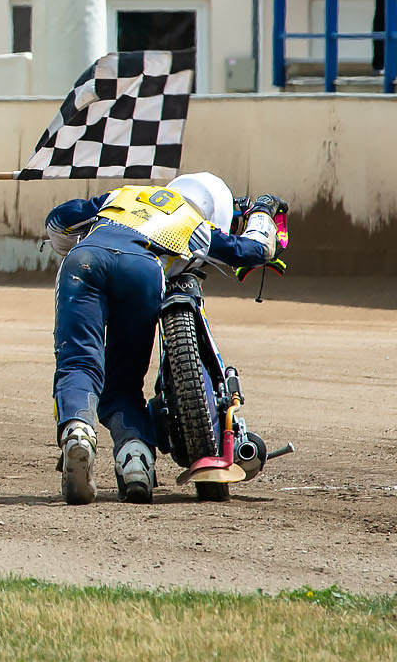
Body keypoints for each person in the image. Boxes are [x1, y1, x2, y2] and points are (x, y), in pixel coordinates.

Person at [42, 173, 279, 503]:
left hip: (85, 259)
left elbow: (58, 220)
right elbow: (256, 249)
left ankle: (78, 432)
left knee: (78, 362)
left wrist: (74, 241)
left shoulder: (124, 195)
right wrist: (262, 212)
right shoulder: (193, 224)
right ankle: (135, 460)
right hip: (141, 271)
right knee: (123, 384)